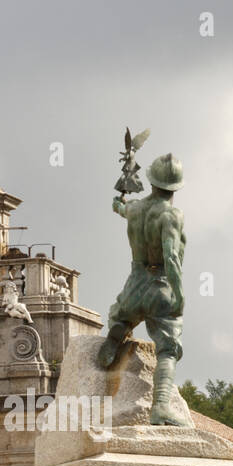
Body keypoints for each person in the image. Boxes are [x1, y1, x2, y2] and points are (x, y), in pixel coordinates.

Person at [96, 152, 190, 426]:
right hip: (160, 284)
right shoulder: (172, 214)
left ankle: (119, 327)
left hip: (135, 283)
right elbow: (171, 256)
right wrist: (179, 295)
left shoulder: (135, 209)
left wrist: (118, 203)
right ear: (175, 188)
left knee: (121, 311)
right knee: (168, 348)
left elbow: (122, 209)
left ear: (151, 182)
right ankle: (160, 407)